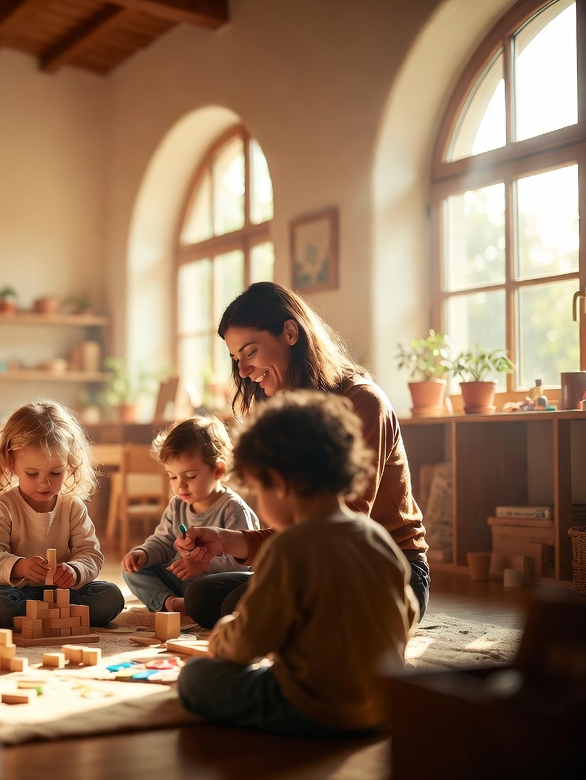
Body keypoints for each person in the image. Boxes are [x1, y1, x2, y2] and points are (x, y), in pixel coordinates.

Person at [176, 391, 419, 736]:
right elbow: (405, 614)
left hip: (313, 708)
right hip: (383, 704)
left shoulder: (289, 548)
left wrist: (220, 639)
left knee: (196, 677)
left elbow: (249, 641)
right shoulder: (374, 535)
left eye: (260, 490)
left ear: (280, 483)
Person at [184, 281, 430, 622]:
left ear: (289, 332)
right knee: (203, 596)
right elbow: (299, 528)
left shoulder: (362, 402)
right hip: (317, 555)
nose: (242, 370)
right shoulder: (285, 412)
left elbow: (343, 524)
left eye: (250, 351)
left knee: (242, 609)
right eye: (235, 358)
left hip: (386, 569)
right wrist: (224, 541)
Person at [0, 400, 125, 629]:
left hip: (63, 593)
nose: (44, 483)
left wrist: (75, 570)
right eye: (32, 473)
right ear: (11, 463)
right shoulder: (3, 507)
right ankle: (54, 617)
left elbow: (90, 554)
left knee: (110, 596)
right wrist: (19, 566)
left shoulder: (72, 507)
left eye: (56, 472)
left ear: (69, 464)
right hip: (16, 592)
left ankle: (42, 618)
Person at [120, 415, 260, 620]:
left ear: (218, 470)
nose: (180, 485)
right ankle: (170, 603)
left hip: (212, 583)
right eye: (172, 476)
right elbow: (163, 541)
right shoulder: (177, 505)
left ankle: (191, 603)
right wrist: (143, 554)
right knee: (131, 570)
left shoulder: (232, 508)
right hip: (181, 579)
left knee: (221, 590)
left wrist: (203, 566)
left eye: (191, 476)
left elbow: (239, 565)